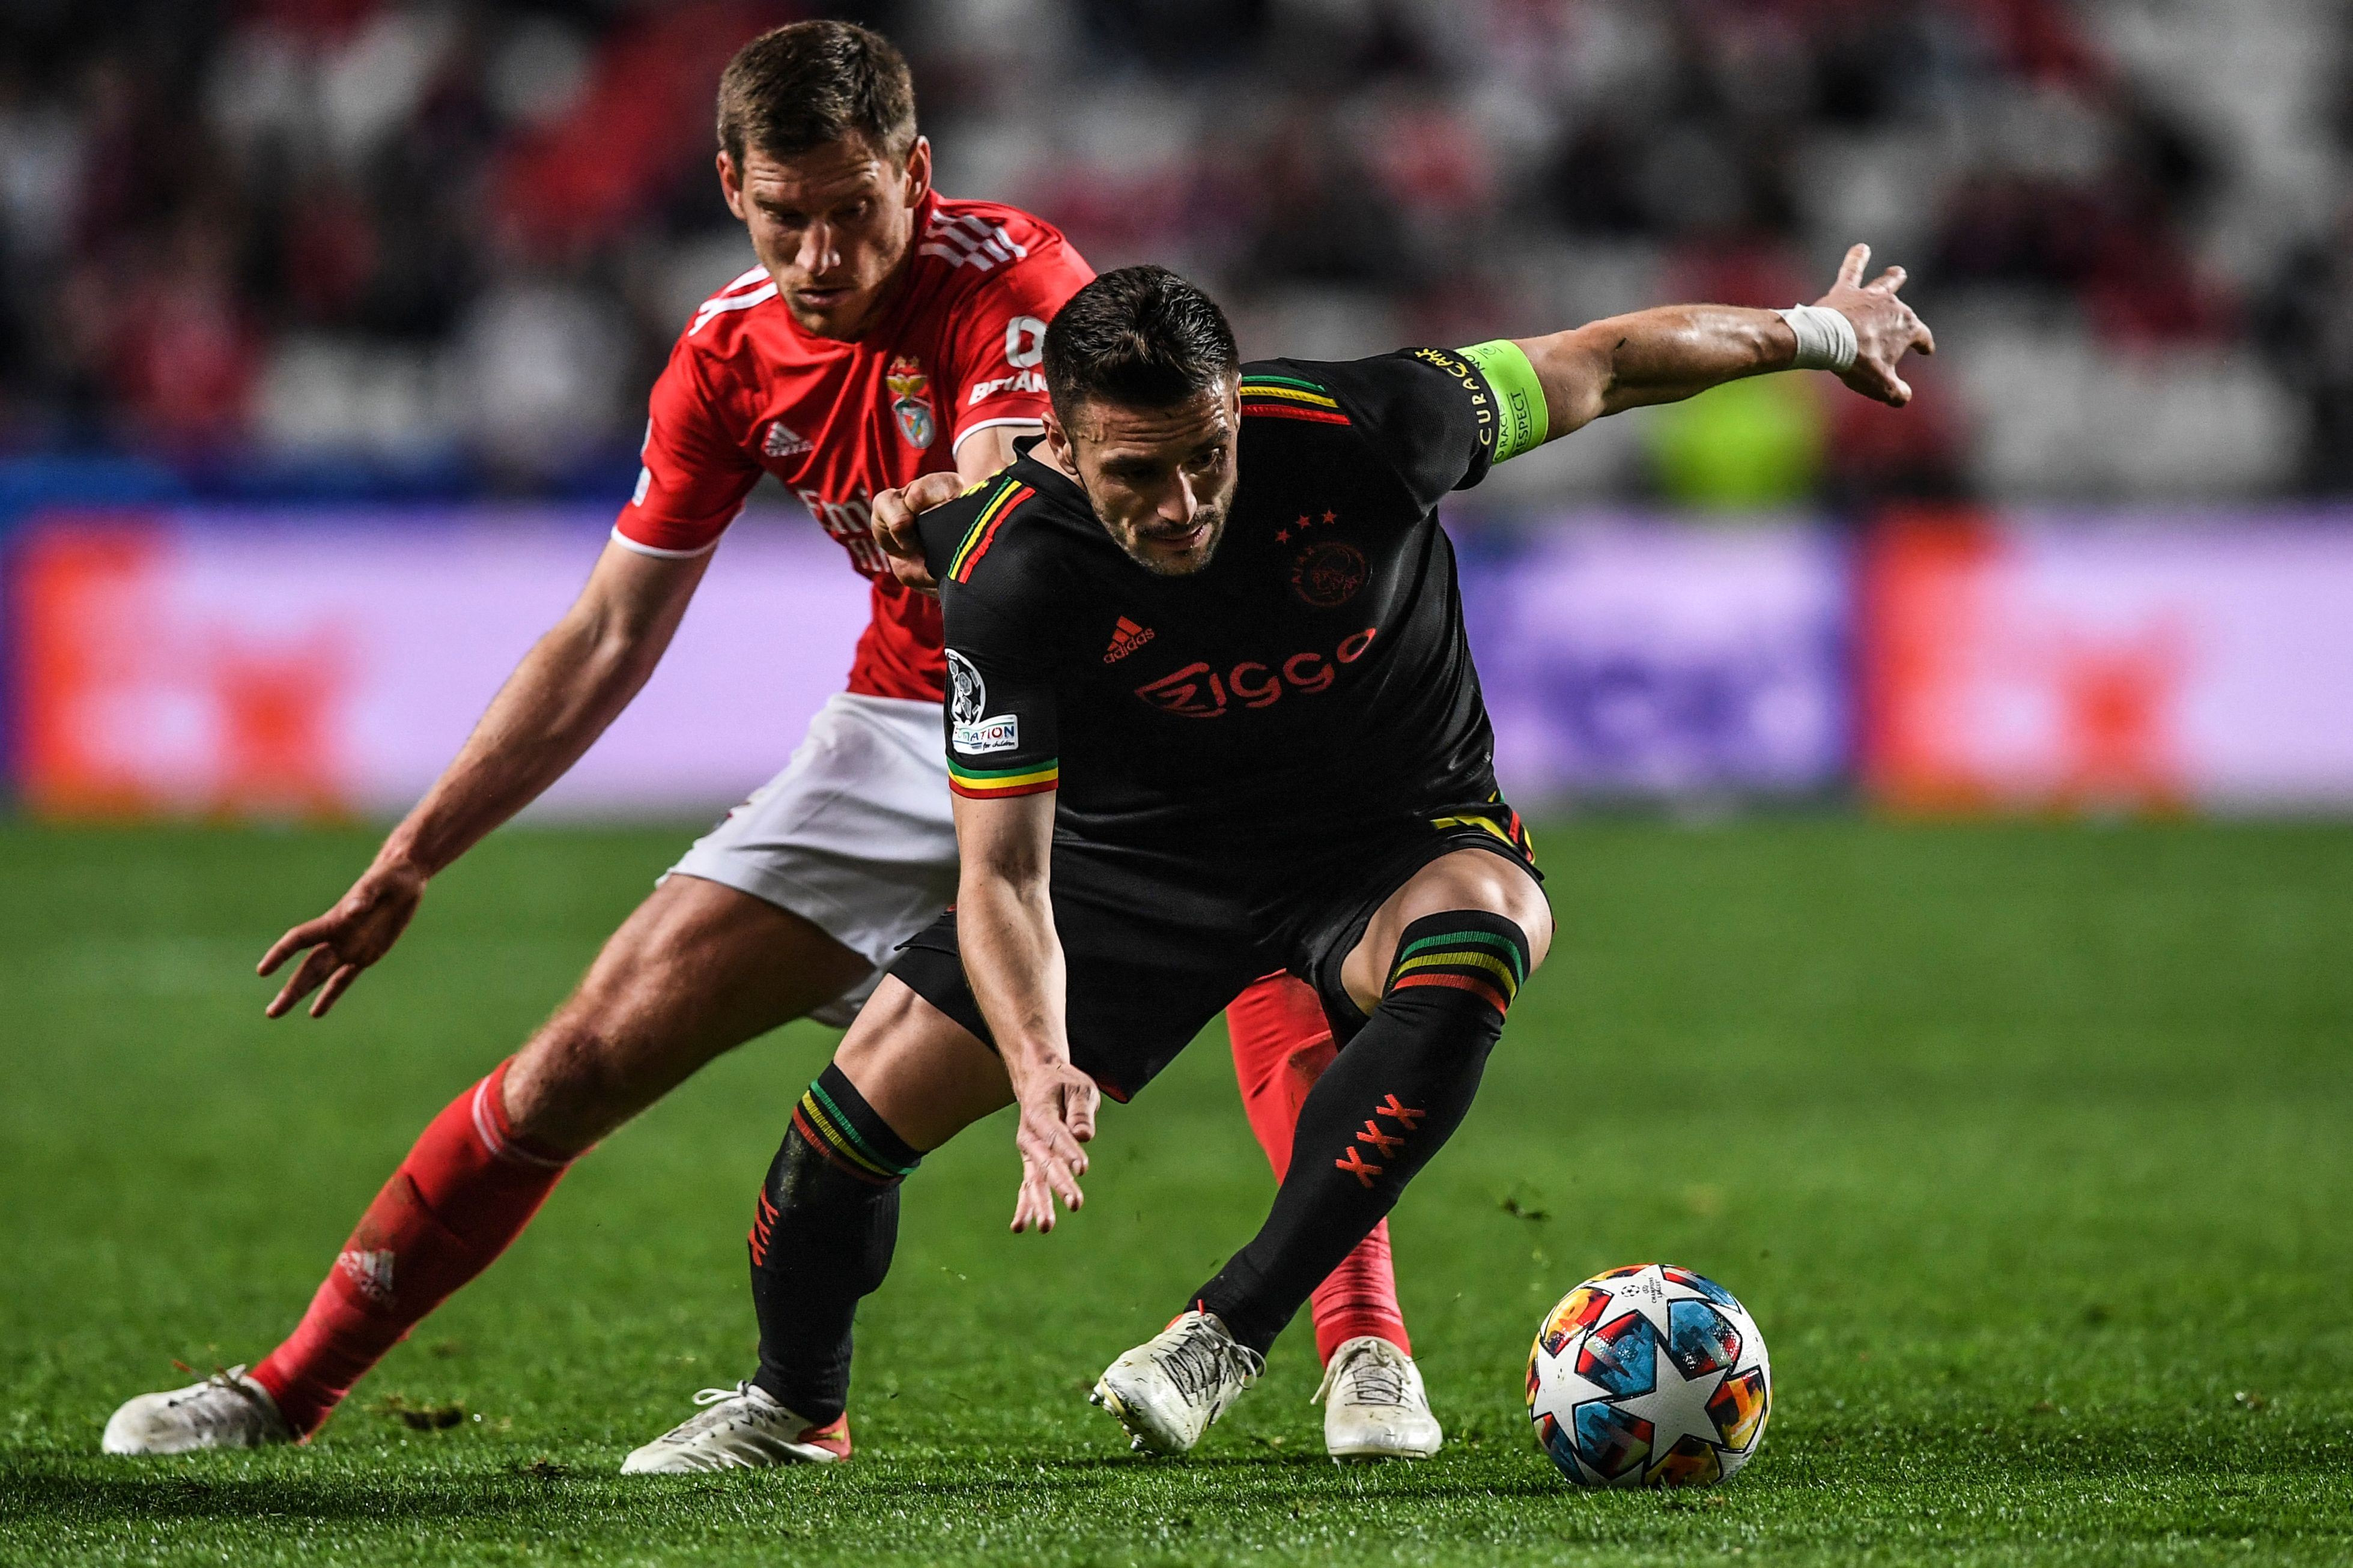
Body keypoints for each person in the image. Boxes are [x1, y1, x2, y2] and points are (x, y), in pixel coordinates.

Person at [103, 21, 1432, 1464]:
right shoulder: (728, 352)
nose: (822, 254)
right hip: (903, 725)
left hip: (1113, 719)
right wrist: (415, 855)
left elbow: (1010, 482)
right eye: (785, 216)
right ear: (731, 186)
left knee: (1269, 959)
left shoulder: (1018, 283)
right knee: (579, 1060)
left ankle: (1368, 1354)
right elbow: (609, 635)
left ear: (915, 173)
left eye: (854, 209)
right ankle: (288, 1389)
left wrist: (947, 503)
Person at [620, 252, 1932, 1468]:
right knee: (838, 1141)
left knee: (1486, 932)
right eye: (1137, 473)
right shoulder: (1005, 565)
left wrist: (1817, 332)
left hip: (1388, 836)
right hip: (1138, 869)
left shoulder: (1373, 424)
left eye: (1208, 455)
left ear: (1237, 405)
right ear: (1056, 445)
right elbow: (1004, 874)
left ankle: (1226, 1328)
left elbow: (1609, 360)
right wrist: (1037, 1060)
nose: (1183, 504)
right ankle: (795, 1406)